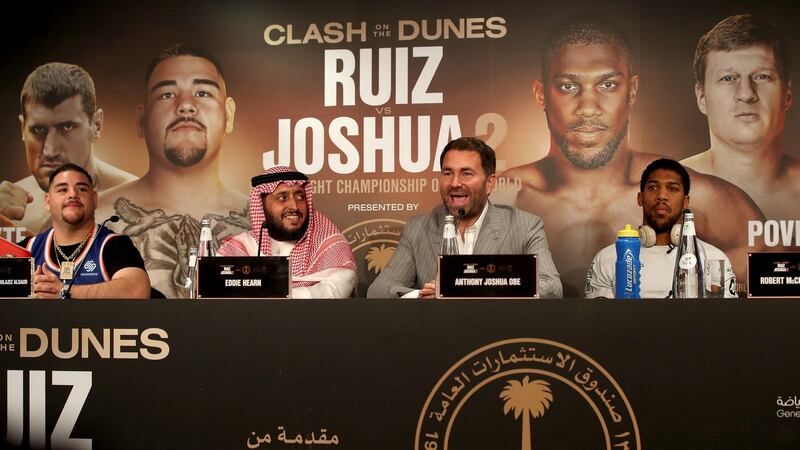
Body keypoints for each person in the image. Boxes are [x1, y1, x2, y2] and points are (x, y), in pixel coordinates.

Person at [500, 18, 764, 296]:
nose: (588, 108)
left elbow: (766, 305)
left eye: (607, 85)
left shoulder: (707, 199)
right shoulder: (504, 201)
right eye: (568, 86)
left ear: (633, 90)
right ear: (541, 95)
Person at [96, 43, 249, 298]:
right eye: (167, 94)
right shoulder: (94, 218)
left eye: (203, 93)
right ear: (141, 120)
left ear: (229, 114)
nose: (186, 105)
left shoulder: (262, 223)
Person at [367, 137, 562, 299]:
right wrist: (422, 295)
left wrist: (466, 289)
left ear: (490, 184)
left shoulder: (524, 225)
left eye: (466, 173)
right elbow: (379, 291)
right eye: (447, 173)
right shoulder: (418, 227)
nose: (454, 183)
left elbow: (551, 288)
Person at [681, 14, 799, 220]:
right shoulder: (661, 195)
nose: (746, 94)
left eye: (762, 76)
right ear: (701, 97)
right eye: (728, 78)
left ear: (787, 95)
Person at [1, 63, 136, 235]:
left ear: (96, 125)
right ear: (23, 129)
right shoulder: (6, 211)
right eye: (38, 130)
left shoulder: (141, 204)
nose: (50, 150)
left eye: (67, 127)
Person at [585, 159, 737, 298]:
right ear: (640, 198)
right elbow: (602, 321)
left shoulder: (714, 259)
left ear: (686, 202)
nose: (662, 195)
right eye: (653, 187)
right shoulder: (608, 258)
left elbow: (724, 320)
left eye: (672, 189)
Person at [216, 166, 357, 298]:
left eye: (300, 196)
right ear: (261, 205)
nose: (294, 206)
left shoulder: (330, 245)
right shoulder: (239, 248)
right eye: (282, 197)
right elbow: (217, 289)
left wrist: (267, 294)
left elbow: (336, 290)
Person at [18, 163, 150, 299]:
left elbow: (137, 291)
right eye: (63, 190)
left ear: (94, 200)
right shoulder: (27, 248)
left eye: (81, 189)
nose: (73, 194)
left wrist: (65, 291)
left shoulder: (114, 245)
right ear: (47, 201)